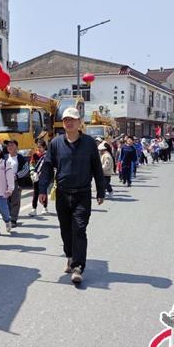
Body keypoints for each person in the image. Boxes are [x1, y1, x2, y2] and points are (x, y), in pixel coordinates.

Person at [38, 107, 105, 285]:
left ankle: (78, 267)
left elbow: (97, 168)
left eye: (73, 119)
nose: (69, 122)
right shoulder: (55, 143)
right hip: (62, 194)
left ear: (79, 122)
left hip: (82, 194)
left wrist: (100, 190)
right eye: (66, 119)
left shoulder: (89, 143)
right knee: (65, 230)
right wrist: (42, 189)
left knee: (79, 229)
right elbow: (47, 167)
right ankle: (70, 255)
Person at [4, 139, 29, 228]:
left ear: (16, 147)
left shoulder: (20, 158)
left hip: (16, 183)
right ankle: (8, 217)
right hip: (5, 183)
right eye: (8, 145)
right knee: (6, 201)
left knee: (15, 201)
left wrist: (16, 176)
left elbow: (26, 169)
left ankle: (13, 219)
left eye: (12, 145)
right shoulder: (4, 157)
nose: (9, 147)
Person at [29, 139, 49, 216]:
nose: (39, 149)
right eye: (38, 147)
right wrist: (32, 172)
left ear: (44, 147)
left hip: (43, 177)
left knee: (43, 192)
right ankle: (34, 209)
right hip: (36, 176)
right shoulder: (34, 155)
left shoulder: (47, 155)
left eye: (40, 147)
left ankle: (45, 207)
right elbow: (31, 164)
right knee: (35, 192)